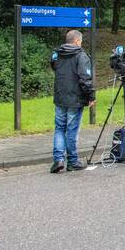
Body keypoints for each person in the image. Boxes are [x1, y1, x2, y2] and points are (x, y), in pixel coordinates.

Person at [49, 29, 96, 173]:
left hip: (60, 97)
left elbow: (54, 67)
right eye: (80, 41)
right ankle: (73, 161)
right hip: (75, 98)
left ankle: (58, 160)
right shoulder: (81, 56)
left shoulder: (57, 54)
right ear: (77, 41)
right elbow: (85, 78)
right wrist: (91, 96)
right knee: (71, 130)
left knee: (59, 129)